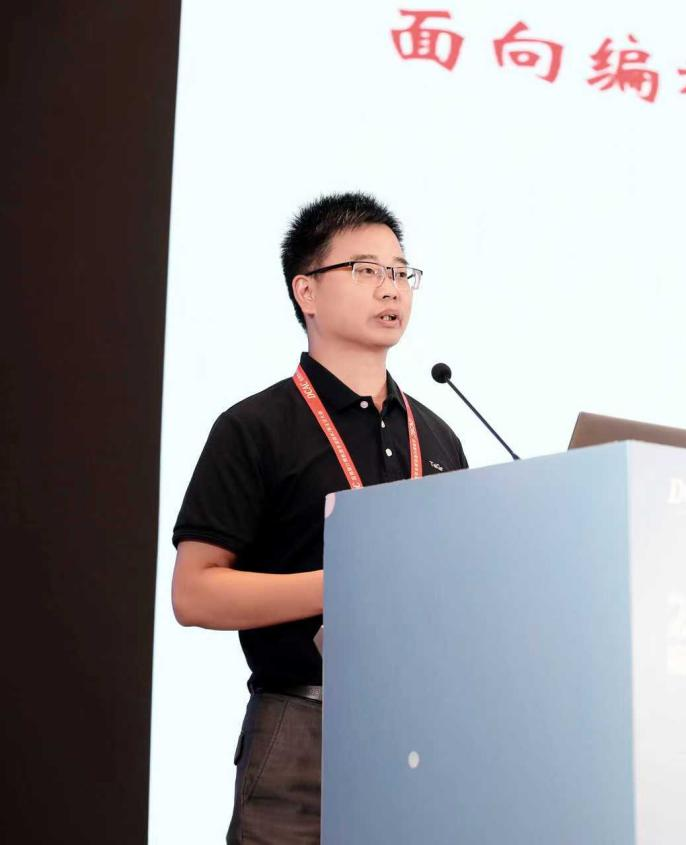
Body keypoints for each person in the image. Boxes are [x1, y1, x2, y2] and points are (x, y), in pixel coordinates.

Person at [171, 192, 467, 843]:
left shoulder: (439, 435)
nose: (390, 288)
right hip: (302, 728)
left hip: (422, 732)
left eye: (401, 271)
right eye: (366, 270)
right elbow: (193, 593)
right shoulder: (255, 427)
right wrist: (343, 588)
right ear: (306, 291)